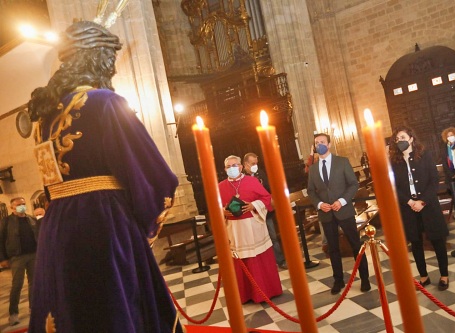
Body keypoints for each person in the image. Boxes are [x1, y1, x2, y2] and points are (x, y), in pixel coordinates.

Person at [27, 18, 183, 333]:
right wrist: (145, 224)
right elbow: (152, 175)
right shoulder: (106, 103)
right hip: (104, 225)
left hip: (57, 229)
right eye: (108, 58)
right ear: (96, 56)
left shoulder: (44, 119)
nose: (111, 67)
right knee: (113, 308)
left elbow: (50, 182)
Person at [307, 133, 371, 294]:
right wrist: (320, 204)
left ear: (329, 145)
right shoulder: (313, 169)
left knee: (355, 244)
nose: (319, 144)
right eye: (316, 143)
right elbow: (311, 191)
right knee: (333, 248)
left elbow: (353, 184)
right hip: (326, 214)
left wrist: (341, 201)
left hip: (344, 211)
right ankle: (338, 280)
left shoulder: (342, 162)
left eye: (322, 142)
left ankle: (365, 278)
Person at [389, 127, 450, 291]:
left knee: (437, 240)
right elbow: (394, 186)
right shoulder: (394, 161)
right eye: (397, 139)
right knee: (415, 242)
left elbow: (434, 180)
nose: (399, 140)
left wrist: (422, 201)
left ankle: (444, 275)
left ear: (411, 139)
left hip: (428, 204)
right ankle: (423, 276)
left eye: (403, 137)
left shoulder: (425, 155)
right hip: (408, 207)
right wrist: (409, 202)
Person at [219, 155, 282, 303]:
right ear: (225, 169)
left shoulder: (252, 181)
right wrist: (223, 211)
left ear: (241, 167)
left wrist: (254, 205)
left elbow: (267, 198)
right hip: (235, 230)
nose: (232, 168)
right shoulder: (220, 186)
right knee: (241, 261)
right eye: (229, 167)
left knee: (258, 259)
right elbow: (215, 207)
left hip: (254, 227)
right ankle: (245, 294)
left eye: (235, 165)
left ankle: (266, 291)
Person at [0, 197, 41, 326]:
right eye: (19, 205)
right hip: (17, 257)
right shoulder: (6, 222)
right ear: (12, 207)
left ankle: (33, 309)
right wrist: (3, 259)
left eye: (23, 204)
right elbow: (0, 241)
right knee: (17, 285)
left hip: (33, 255)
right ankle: (13, 313)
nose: (22, 206)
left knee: (33, 284)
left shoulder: (31, 219)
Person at [242, 152, 286, 268]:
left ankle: (280, 260)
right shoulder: (242, 177)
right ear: (246, 164)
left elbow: (268, 190)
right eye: (252, 163)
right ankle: (262, 264)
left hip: (265, 212)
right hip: (250, 214)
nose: (255, 165)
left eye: (256, 163)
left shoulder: (260, 173)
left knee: (273, 237)